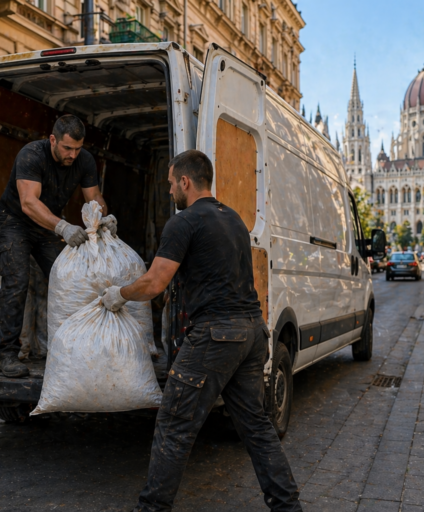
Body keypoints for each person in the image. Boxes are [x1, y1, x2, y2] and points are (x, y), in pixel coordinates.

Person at [101, 150, 302, 512]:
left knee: (174, 424)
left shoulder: (184, 222)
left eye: (170, 183)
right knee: (256, 427)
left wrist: (119, 294)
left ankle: (152, 508)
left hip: (216, 336)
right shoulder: (234, 219)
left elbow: (154, 283)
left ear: (185, 181)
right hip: (253, 333)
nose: (168, 192)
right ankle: (288, 506)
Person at [0, 114, 116, 377]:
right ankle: (6, 355)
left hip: (46, 225)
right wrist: (63, 227)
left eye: (78, 148)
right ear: (53, 139)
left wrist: (103, 217)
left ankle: (75, 349)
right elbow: (28, 203)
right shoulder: (32, 155)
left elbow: (94, 197)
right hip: (15, 222)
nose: (73, 155)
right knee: (17, 280)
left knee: (69, 280)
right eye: (67, 148)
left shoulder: (84, 160)